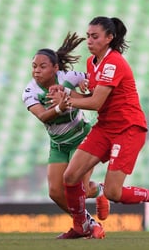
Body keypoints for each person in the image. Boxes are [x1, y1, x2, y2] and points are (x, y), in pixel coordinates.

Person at [51, 16, 149, 237]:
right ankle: (81, 226)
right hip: (105, 127)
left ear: (109, 38)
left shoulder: (114, 62)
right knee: (70, 177)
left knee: (113, 192)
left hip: (128, 128)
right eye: (88, 36)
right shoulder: (92, 62)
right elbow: (91, 97)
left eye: (95, 36)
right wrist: (66, 93)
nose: (89, 40)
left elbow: (95, 103)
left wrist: (67, 102)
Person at [22, 32, 109, 239]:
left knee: (77, 188)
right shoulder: (30, 91)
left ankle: (97, 197)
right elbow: (43, 116)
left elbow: (96, 88)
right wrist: (61, 106)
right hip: (59, 145)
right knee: (55, 192)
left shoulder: (69, 78)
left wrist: (86, 85)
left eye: (43, 66)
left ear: (55, 68)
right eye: (34, 66)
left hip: (82, 139)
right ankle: (87, 221)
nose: (36, 70)